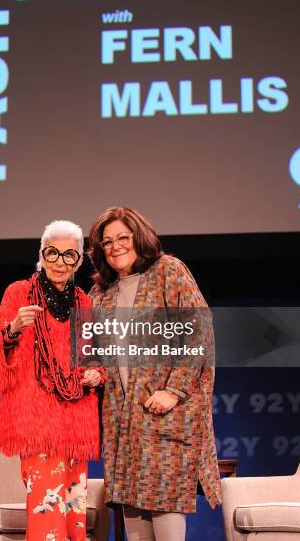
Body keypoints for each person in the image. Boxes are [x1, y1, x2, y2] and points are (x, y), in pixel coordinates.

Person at [88, 207, 221, 541]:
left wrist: (174, 391)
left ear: (139, 237)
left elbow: (199, 332)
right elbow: (91, 351)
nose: (115, 246)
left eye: (122, 237)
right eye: (107, 242)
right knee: (131, 503)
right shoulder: (100, 293)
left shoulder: (167, 271)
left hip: (165, 411)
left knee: (164, 502)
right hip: (122, 416)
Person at [0, 220, 103, 541]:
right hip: (37, 423)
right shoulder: (18, 293)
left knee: (75, 514)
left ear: (78, 261)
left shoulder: (83, 302)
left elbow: (92, 357)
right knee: (47, 513)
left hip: (75, 422)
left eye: (69, 256)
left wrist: (95, 373)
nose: (60, 262)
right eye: (53, 253)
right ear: (41, 254)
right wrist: (13, 328)